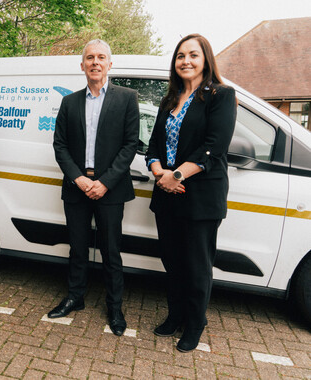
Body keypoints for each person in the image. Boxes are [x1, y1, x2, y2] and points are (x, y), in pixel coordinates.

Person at [146, 34, 237, 352]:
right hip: (167, 194)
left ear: (205, 59)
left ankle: (195, 323)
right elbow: (153, 146)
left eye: (193, 55)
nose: (185, 60)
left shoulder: (221, 96)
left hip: (200, 197)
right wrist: (160, 174)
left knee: (197, 264)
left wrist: (177, 175)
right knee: (172, 260)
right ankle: (176, 315)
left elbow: (214, 147)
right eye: (180, 55)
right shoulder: (169, 100)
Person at [50, 39, 139, 336]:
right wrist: (79, 179)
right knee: (77, 247)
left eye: (101, 57)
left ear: (110, 64)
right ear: (82, 65)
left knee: (111, 251)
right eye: (90, 57)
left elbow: (129, 147)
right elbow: (60, 146)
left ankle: (115, 308)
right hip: (77, 186)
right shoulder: (69, 102)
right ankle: (75, 297)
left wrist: (104, 182)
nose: (95, 62)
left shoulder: (127, 98)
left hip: (111, 189)